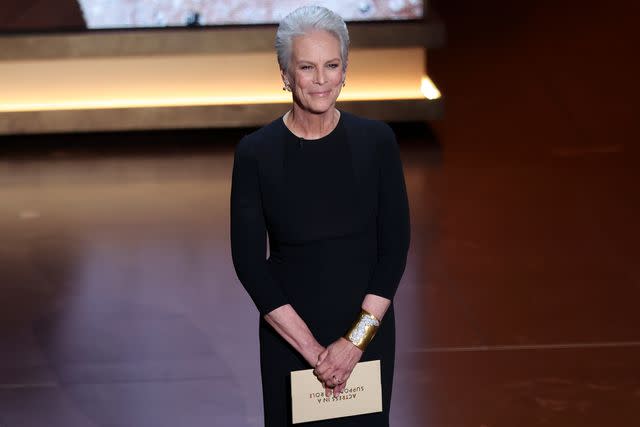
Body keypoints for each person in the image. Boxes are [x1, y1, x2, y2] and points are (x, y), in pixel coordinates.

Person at [230, 5, 410, 426]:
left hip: (366, 334)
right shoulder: (256, 153)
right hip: (289, 337)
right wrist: (314, 352)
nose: (321, 79)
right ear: (285, 75)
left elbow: (394, 250)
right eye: (307, 67)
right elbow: (250, 264)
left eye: (331, 65)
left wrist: (353, 344)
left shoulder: (377, 142)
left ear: (345, 69)